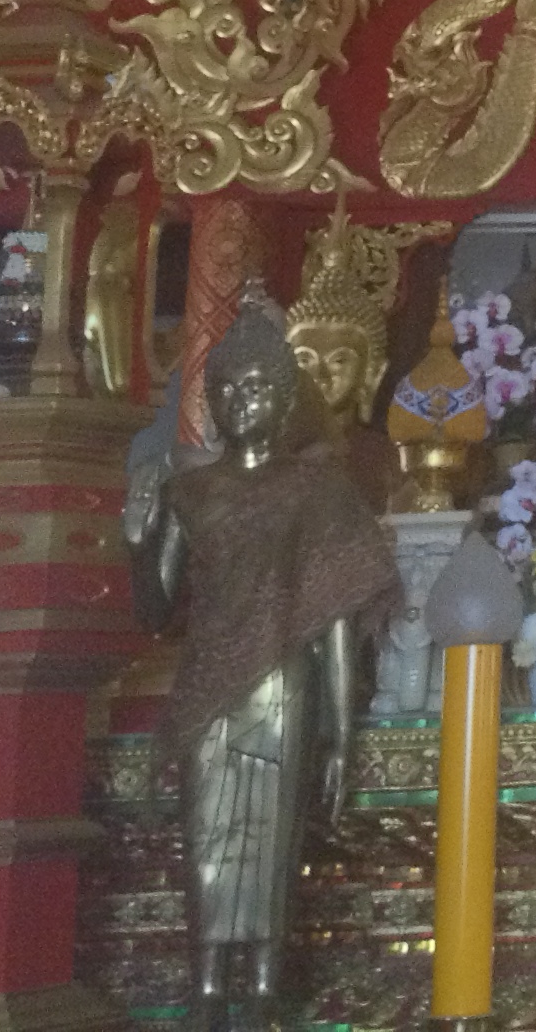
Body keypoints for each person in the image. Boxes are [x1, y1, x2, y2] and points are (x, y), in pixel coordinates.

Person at [124, 285, 398, 1024]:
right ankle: (209, 983)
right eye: (229, 389)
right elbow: (155, 611)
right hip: (209, 681)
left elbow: (333, 618)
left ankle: (267, 980)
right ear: (211, 401)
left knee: (274, 833)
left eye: (257, 388)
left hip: (285, 683)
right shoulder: (190, 491)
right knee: (208, 832)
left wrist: (341, 732)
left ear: (284, 401)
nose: (241, 400)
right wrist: (139, 540)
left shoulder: (317, 490)